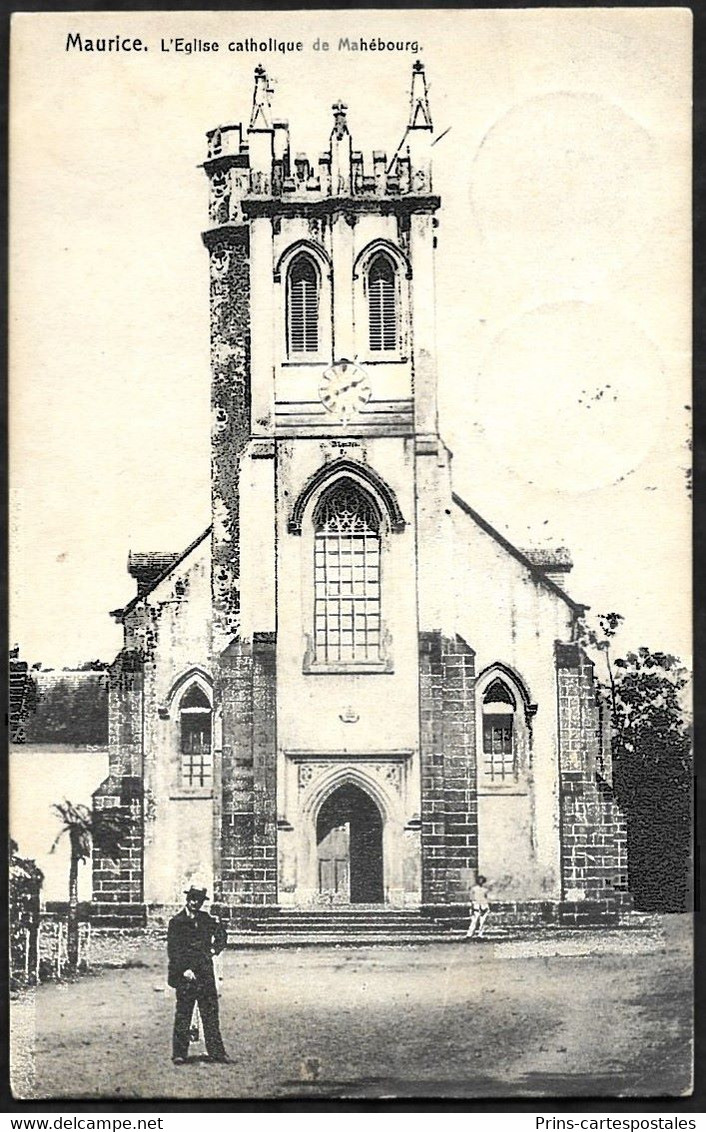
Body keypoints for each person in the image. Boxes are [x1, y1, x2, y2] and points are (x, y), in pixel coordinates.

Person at [167, 886, 229, 1064]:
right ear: (187, 899)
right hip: (186, 975)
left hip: (204, 973)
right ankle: (179, 1053)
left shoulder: (206, 919)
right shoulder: (176, 922)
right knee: (184, 1013)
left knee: (209, 1013)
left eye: (199, 900)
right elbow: (174, 950)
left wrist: (214, 949)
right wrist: (183, 970)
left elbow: (221, 935)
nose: (195, 903)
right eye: (193, 899)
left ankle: (216, 1052)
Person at [466, 874, 491, 939]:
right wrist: (473, 905)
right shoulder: (474, 889)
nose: (481, 881)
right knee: (474, 920)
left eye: (482, 880)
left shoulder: (485, 889)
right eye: (479, 880)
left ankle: (480, 934)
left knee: (482, 921)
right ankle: (469, 934)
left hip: (483, 905)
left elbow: (486, 898)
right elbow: (471, 897)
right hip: (476, 905)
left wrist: (486, 906)